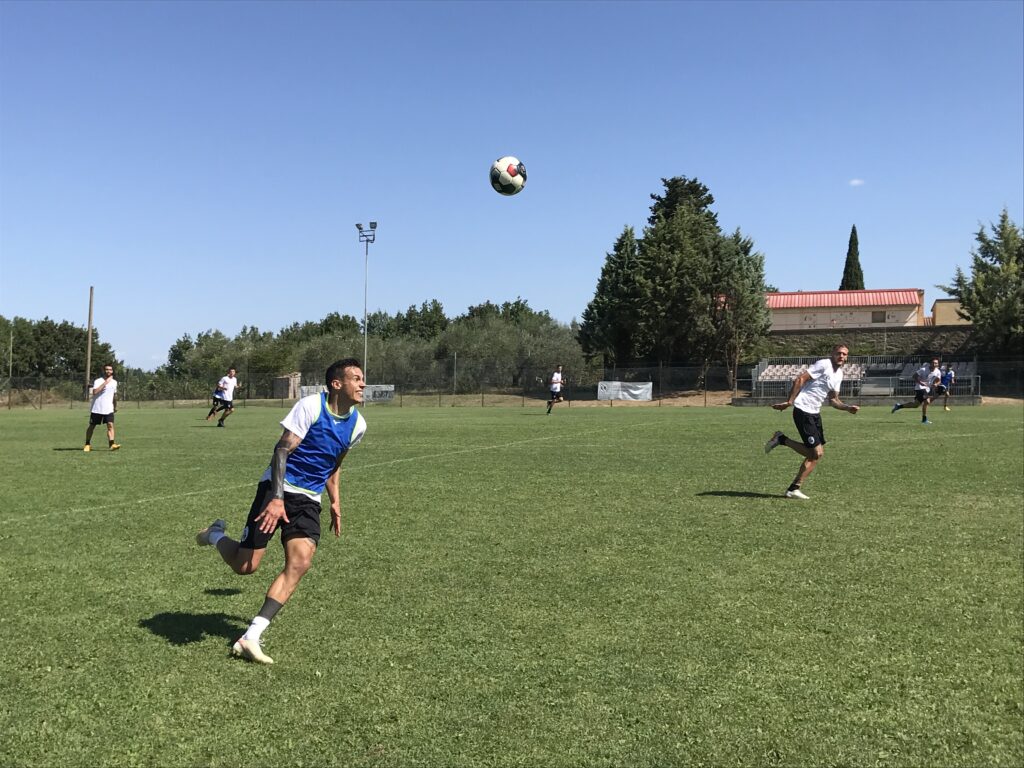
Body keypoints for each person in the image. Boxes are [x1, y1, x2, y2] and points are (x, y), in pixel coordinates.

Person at [196, 358, 367, 664]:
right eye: (356, 378)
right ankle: (214, 535)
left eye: (362, 378)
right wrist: (276, 499)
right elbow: (282, 450)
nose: (362, 384)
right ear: (336, 384)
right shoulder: (311, 407)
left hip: (308, 499)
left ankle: (250, 637)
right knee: (246, 566)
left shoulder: (358, 425)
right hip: (278, 486)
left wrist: (335, 501)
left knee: (301, 562)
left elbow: (334, 464)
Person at [763, 344, 859, 499]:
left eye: (844, 354)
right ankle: (782, 443)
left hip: (814, 413)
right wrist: (789, 401)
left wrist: (847, 408)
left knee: (816, 455)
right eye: (839, 353)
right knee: (816, 453)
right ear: (832, 353)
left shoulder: (839, 374)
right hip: (803, 410)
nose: (841, 356)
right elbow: (800, 379)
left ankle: (793, 486)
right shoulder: (824, 364)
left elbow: (834, 400)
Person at [891, 357, 941, 424]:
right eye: (933, 363)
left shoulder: (938, 371)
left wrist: (936, 384)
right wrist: (920, 382)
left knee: (915, 405)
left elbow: (939, 381)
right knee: (927, 401)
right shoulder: (923, 369)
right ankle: (924, 419)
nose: (934, 364)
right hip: (919, 388)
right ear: (930, 363)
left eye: (936, 363)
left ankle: (898, 406)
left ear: (938, 364)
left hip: (927, 389)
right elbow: (914, 376)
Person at [84, 364, 121, 452]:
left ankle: (112, 444)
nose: (108, 371)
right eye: (107, 369)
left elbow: (114, 395)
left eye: (110, 369)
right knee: (92, 426)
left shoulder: (114, 382)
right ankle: (87, 444)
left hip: (108, 408)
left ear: (112, 371)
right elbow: (95, 392)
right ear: (104, 371)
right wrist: (105, 383)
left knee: (110, 425)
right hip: (97, 408)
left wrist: (115, 406)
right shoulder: (98, 381)